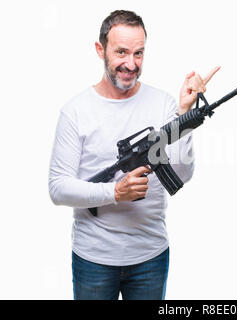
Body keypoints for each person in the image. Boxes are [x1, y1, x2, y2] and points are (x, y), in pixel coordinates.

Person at [48, 10, 219, 300]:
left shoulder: (163, 102)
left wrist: (185, 115)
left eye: (139, 53)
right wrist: (115, 192)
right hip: (94, 258)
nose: (131, 63)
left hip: (150, 256)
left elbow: (181, 174)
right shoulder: (76, 111)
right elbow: (58, 188)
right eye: (122, 52)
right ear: (100, 50)